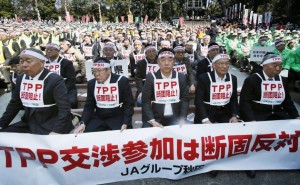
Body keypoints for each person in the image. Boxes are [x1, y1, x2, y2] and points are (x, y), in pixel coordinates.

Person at [240, 53, 300, 178]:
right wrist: (251, 119)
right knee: (254, 136)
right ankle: (251, 163)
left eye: (280, 66)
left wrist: (296, 116)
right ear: (265, 65)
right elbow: (245, 102)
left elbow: (287, 101)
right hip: (258, 113)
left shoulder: (282, 80)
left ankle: (290, 159)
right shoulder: (253, 79)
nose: (278, 68)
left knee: (294, 129)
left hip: (276, 112)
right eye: (275, 65)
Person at [0, 48, 74, 134]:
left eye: (28, 61)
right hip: (29, 123)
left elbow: (64, 108)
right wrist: (2, 123)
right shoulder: (21, 78)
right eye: (21, 61)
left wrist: (57, 131)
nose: (24, 65)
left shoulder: (54, 79)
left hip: (51, 124)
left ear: (42, 63)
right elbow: (15, 104)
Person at [75, 57, 134, 133]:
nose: (96, 74)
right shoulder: (92, 83)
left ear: (108, 70)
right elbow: (89, 105)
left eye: (100, 71)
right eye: (94, 71)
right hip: (99, 117)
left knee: (125, 136)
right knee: (85, 134)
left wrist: (126, 122)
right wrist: (83, 123)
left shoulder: (122, 81)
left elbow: (128, 104)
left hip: (117, 116)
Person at [142, 48, 189, 128]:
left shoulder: (180, 77)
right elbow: (146, 101)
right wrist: (152, 120)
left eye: (170, 60)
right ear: (158, 62)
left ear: (174, 62)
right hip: (155, 117)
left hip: (175, 117)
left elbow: (185, 99)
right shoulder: (151, 77)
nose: (166, 63)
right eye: (163, 60)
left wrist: (182, 118)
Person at [194, 54, 239, 124]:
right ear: (214, 65)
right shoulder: (204, 78)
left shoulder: (233, 78)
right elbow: (198, 100)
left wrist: (234, 115)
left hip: (225, 112)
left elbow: (233, 99)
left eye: (227, 63)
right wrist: (205, 119)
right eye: (221, 64)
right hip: (207, 112)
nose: (224, 66)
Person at [45, 43, 78, 108]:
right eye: (47, 50)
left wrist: (61, 90)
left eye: (51, 50)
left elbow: (71, 80)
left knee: (71, 102)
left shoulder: (67, 63)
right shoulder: (43, 63)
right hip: (48, 89)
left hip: (65, 88)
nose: (48, 51)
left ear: (58, 51)